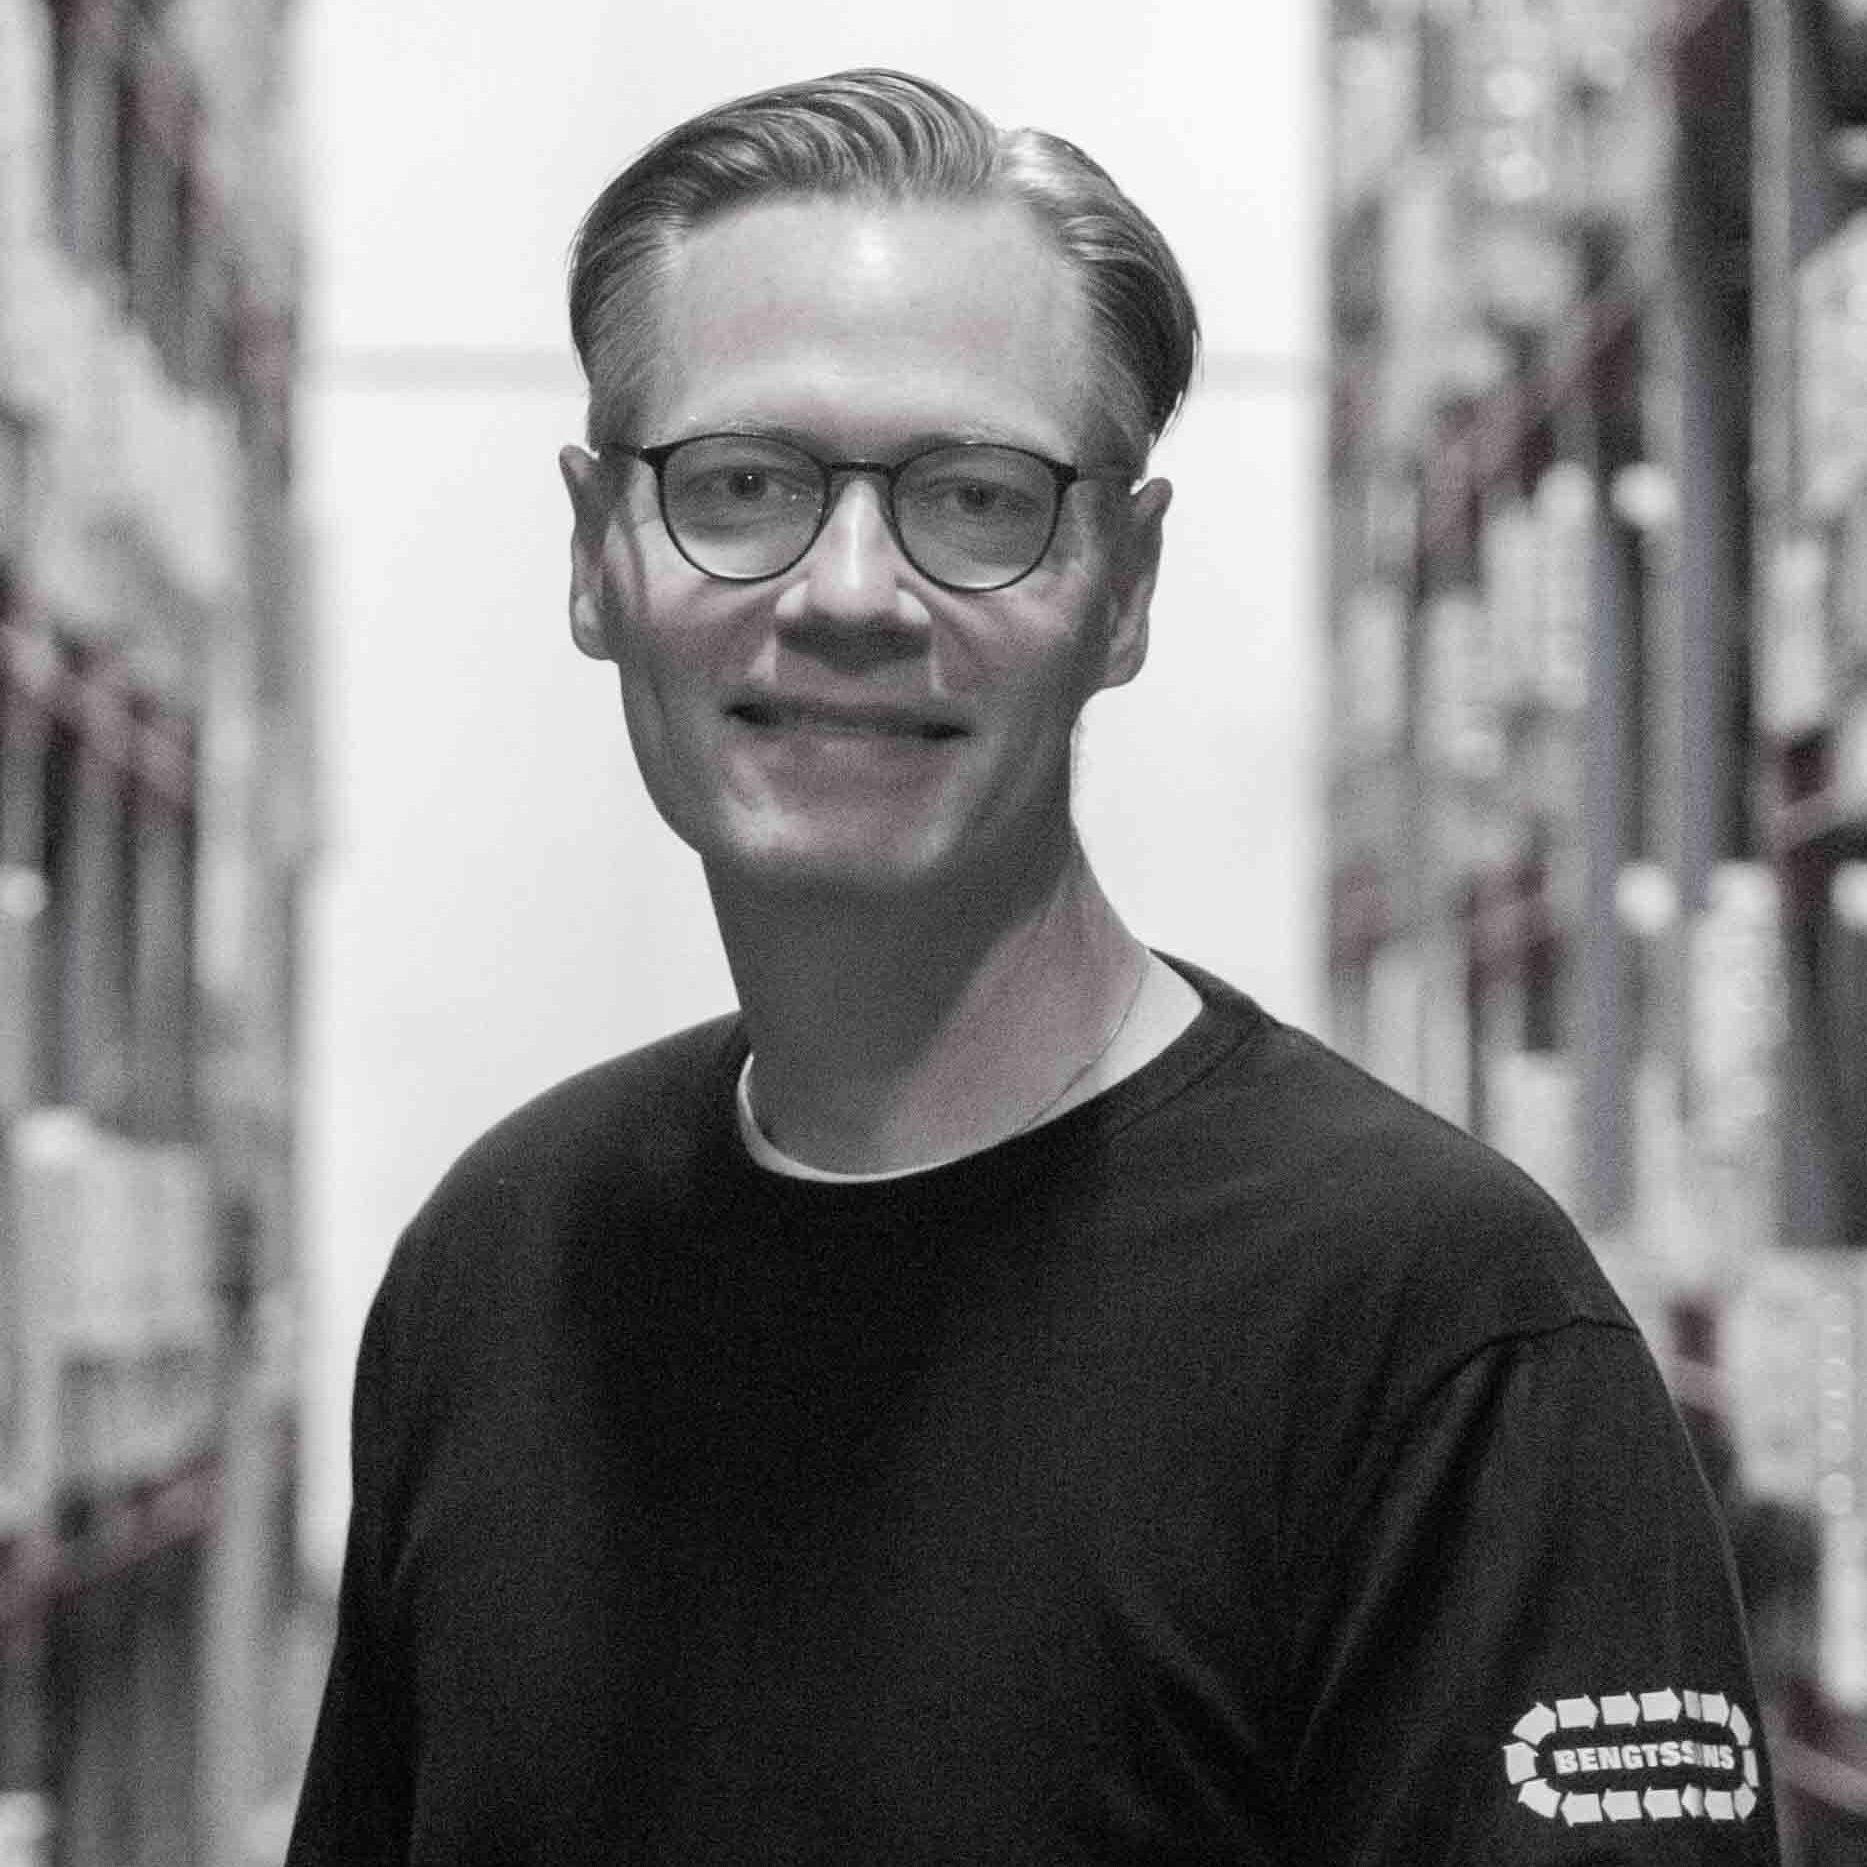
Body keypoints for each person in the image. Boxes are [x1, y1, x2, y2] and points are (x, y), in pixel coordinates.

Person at [286, 69, 1780, 1865]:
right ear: (599, 553)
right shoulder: (499, 1271)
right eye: (741, 485)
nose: (849, 594)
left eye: (975, 499)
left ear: (1123, 587)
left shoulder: (1434, 1339)